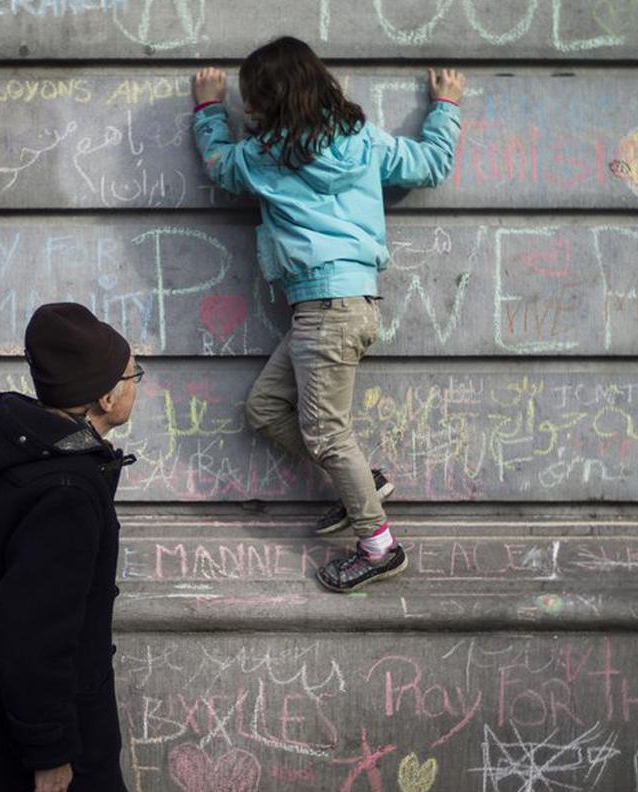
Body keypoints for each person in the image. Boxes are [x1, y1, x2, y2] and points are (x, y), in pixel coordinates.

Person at [190, 37, 465, 593]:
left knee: (327, 434)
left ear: (267, 101)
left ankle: (377, 544)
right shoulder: (361, 141)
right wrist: (446, 107)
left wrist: (208, 109)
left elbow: (220, 166)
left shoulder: (263, 156)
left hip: (327, 312)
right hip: (341, 308)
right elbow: (432, 163)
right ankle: (361, 485)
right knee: (266, 408)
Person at [0, 303, 139, 792]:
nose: (136, 385)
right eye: (133, 375)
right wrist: (50, 752)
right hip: (45, 753)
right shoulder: (67, 489)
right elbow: (33, 639)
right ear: (106, 396)